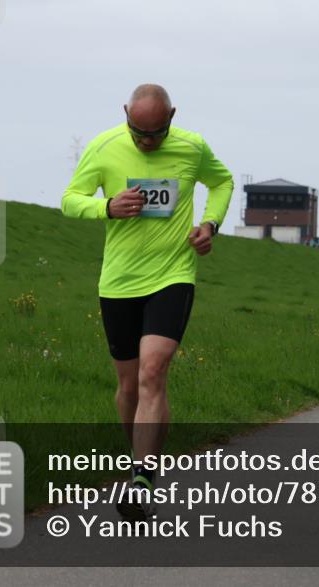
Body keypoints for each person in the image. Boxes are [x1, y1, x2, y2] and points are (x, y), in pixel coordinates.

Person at [61, 84, 234, 520]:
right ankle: (140, 458)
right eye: (139, 133)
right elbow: (70, 200)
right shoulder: (104, 147)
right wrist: (106, 207)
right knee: (128, 387)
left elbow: (222, 181)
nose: (147, 142)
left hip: (172, 275)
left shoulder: (192, 148)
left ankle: (141, 478)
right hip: (118, 282)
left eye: (157, 133)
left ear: (172, 117)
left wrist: (210, 224)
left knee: (153, 372)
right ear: (125, 114)